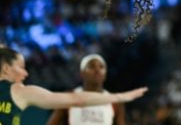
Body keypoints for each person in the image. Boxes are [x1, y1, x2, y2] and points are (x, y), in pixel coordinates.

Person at [0, 47, 146, 124]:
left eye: (101, 67)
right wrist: (121, 96)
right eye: (21, 67)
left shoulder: (114, 105)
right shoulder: (18, 91)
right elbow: (78, 100)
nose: (25, 73)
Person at [46, 54, 125, 125]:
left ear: (105, 74)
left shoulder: (115, 102)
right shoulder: (69, 97)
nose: (97, 70)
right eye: (92, 66)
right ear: (82, 73)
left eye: (101, 67)